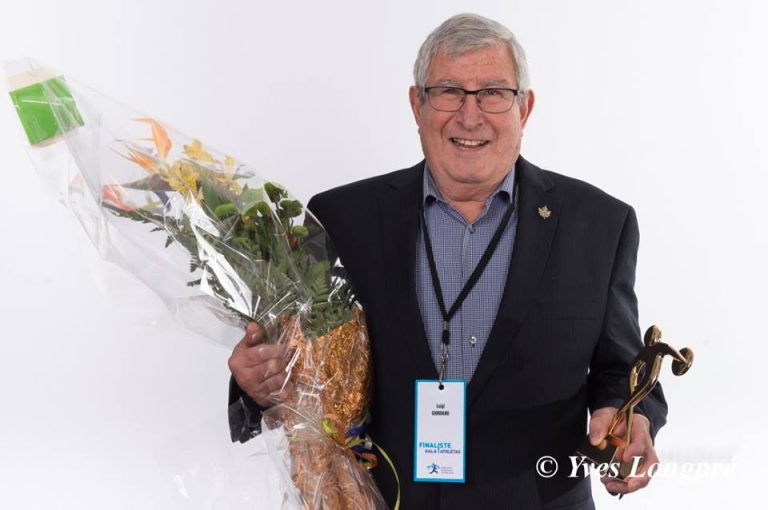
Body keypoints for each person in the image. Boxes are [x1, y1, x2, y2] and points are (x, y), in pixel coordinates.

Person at [227, 13, 668, 509]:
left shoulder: (599, 224)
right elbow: (302, 370)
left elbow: (622, 368)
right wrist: (259, 382)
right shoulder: (340, 219)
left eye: (493, 92)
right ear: (417, 104)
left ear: (525, 108)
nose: (470, 116)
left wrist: (629, 417)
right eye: (449, 91)